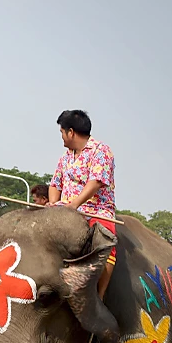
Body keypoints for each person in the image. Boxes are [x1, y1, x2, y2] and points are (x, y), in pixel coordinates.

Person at [48, 109, 117, 297]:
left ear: (71, 132)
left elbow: (95, 183)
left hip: (95, 210)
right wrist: (54, 203)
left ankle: (99, 295)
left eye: (62, 132)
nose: (61, 137)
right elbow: (55, 183)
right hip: (66, 209)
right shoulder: (65, 157)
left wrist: (74, 205)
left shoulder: (101, 151)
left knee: (105, 241)